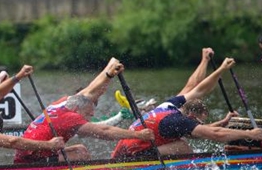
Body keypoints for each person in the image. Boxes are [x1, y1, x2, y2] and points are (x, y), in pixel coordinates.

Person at [112, 50, 262, 159]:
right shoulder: (178, 121)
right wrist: (250, 134)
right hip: (127, 156)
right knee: (182, 147)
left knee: (182, 141)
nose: (199, 124)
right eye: (199, 121)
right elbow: (214, 134)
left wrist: (206, 61)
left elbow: (195, 87)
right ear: (190, 116)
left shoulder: (170, 106)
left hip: (125, 148)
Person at [14, 58, 155, 164]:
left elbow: (90, 91)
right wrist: (139, 135)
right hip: (30, 161)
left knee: (80, 149)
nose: (92, 114)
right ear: (77, 109)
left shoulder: (63, 103)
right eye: (88, 113)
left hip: (31, 153)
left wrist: (109, 73)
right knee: (80, 154)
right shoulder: (70, 117)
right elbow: (105, 132)